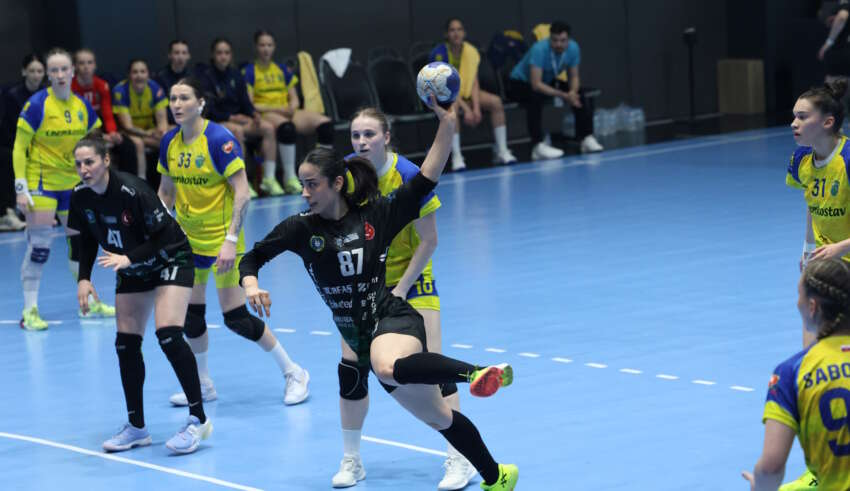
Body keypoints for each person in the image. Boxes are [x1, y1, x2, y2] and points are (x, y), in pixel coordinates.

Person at [239, 96, 518, 491]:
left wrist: (447, 124)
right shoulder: (301, 228)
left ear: (336, 184)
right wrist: (251, 285)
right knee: (439, 417)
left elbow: (427, 177)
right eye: (302, 184)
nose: (304, 193)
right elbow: (252, 257)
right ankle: (498, 476)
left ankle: (474, 371)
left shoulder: (375, 217)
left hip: (392, 316)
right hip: (357, 331)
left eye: (312, 184)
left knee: (386, 365)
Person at [335, 107, 473, 489]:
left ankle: (459, 458)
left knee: (435, 370)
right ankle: (351, 459)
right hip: (365, 286)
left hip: (412, 280)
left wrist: (399, 290)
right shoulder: (345, 174)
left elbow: (429, 241)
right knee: (351, 370)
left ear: (386, 137)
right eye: (355, 135)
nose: (361, 142)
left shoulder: (409, 176)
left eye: (369, 134)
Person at [157, 77, 310, 407]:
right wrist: (161, 230)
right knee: (192, 317)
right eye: (173, 98)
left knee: (236, 317)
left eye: (184, 98)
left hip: (222, 241)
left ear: (200, 103)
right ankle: (203, 384)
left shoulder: (218, 139)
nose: (177, 104)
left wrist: (229, 240)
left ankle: (294, 372)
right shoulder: (169, 141)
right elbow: (166, 192)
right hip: (187, 242)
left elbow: (242, 193)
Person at [68, 137, 212, 454]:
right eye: (78, 164)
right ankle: (136, 427)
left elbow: (163, 236)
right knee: (125, 344)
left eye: (89, 162)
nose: (83, 169)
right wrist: (84, 278)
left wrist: (129, 258)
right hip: (132, 267)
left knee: (168, 334)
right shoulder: (79, 197)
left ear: (106, 160)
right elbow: (86, 238)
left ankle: (198, 419)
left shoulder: (133, 191)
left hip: (170, 258)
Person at [13, 48, 114, 331]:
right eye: (54, 70)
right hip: (42, 184)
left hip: (74, 185)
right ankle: (29, 311)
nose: (59, 74)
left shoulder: (81, 106)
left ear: (72, 72)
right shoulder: (36, 105)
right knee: (40, 246)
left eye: (64, 69)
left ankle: (88, 303)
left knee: (80, 245)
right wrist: (21, 187)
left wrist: (100, 177)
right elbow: (19, 148)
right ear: (48, 74)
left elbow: (94, 142)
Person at [741, 258, 850, 491]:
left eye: (799, 295)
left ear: (812, 307)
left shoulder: (791, 373)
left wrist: (760, 487)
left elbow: (770, 468)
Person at [242, 29, 335, 195]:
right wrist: (277, 109)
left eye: (269, 45)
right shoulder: (249, 71)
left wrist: (292, 106)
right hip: (266, 111)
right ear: (256, 47)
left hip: (286, 110)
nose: (266, 49)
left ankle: (321, 171)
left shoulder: (282, 69)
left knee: (326, 125)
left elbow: (294, 98)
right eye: (262, 45)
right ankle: (290, 177)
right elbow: (251, 103)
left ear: (274, 47)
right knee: (287, 128)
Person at [429, 18, 517, 171]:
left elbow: (474, 81)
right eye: (452, 30)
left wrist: (476, 108)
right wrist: (467, 110)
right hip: (446, 95)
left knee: (496, 102)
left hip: (467, 93)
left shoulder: (471, 51)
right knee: (452, 108)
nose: (456, 33)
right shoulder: (438, 54)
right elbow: (446, 88)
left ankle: (502, 151)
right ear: (446, 34)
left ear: (464, 33)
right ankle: (457, 156)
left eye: (459, 29)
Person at [197, 37, 279, 199]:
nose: (223, 56)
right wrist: (231, 117)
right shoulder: (206, 77)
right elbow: (208, 109)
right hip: (216, 121)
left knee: (268, 128)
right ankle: (242, 183)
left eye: (226, 53)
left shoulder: (236, 74)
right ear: (213, 55)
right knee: (237, 131)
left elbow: (245, 101)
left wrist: (254, 114)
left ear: (231, 55)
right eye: (219, 53)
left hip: (238, 119)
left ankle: (269, 179)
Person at [508, 20, 603, 158]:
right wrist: (564, 95)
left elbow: (574, 77)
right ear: (549, 38)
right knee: (535, 97)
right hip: (519, 82)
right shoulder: (539, 49)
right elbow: (536, 84)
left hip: (546, 80)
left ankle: (586, 138)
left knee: (580, 93)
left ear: (568, 39)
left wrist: (572, 93)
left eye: (563, 41)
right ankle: (537, 146)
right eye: (554, 40)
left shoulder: (573, 48)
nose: (558, 44)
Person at [72, 48, 139, 176]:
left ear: (95, 65)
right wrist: (100, 136)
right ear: (75, 66)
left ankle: (130, 181)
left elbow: (107, 113)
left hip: (100, 127)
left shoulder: (102, 85)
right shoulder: (71, 87)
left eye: (89, 62)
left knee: (127, 145)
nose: (86, 67)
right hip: (79, 130)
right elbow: (75, 119)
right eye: (81, 63)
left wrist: (112, 133)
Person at [0, 54, 43, 231]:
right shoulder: (13, 96)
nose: (36, 75)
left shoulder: (48, 95)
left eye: (39, 71)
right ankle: (6, 213)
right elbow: (9, 130)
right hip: (16, 144)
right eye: (32, 71)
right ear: (24, 72)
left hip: (44, 146)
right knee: (7, 158)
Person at [112, 59, 169, 180]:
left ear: (148, 74)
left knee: (170, 139)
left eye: (143, 72)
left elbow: (162, 124)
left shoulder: (155, 89)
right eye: (135, 72)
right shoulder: (120, 90)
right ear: (129, 75)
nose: (139, 76)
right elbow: (127, 126)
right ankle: (141, 181)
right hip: (127, 132)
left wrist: (160, 133)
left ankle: (172, 178)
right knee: (138, 143)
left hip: (149, 131)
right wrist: (149, 134)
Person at [155, 40, 193, 125]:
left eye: (184, 53)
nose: (180, 57)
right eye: (176, 53)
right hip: (169, 123)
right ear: (170, 55)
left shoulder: (193, 77)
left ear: (188, 56)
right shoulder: (160, 78)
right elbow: (161, 106)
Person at [818, 1, 850, 86]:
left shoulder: (845, 5)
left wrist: (829, 42)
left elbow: (842, 16)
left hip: (840, 53)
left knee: (830, 90)